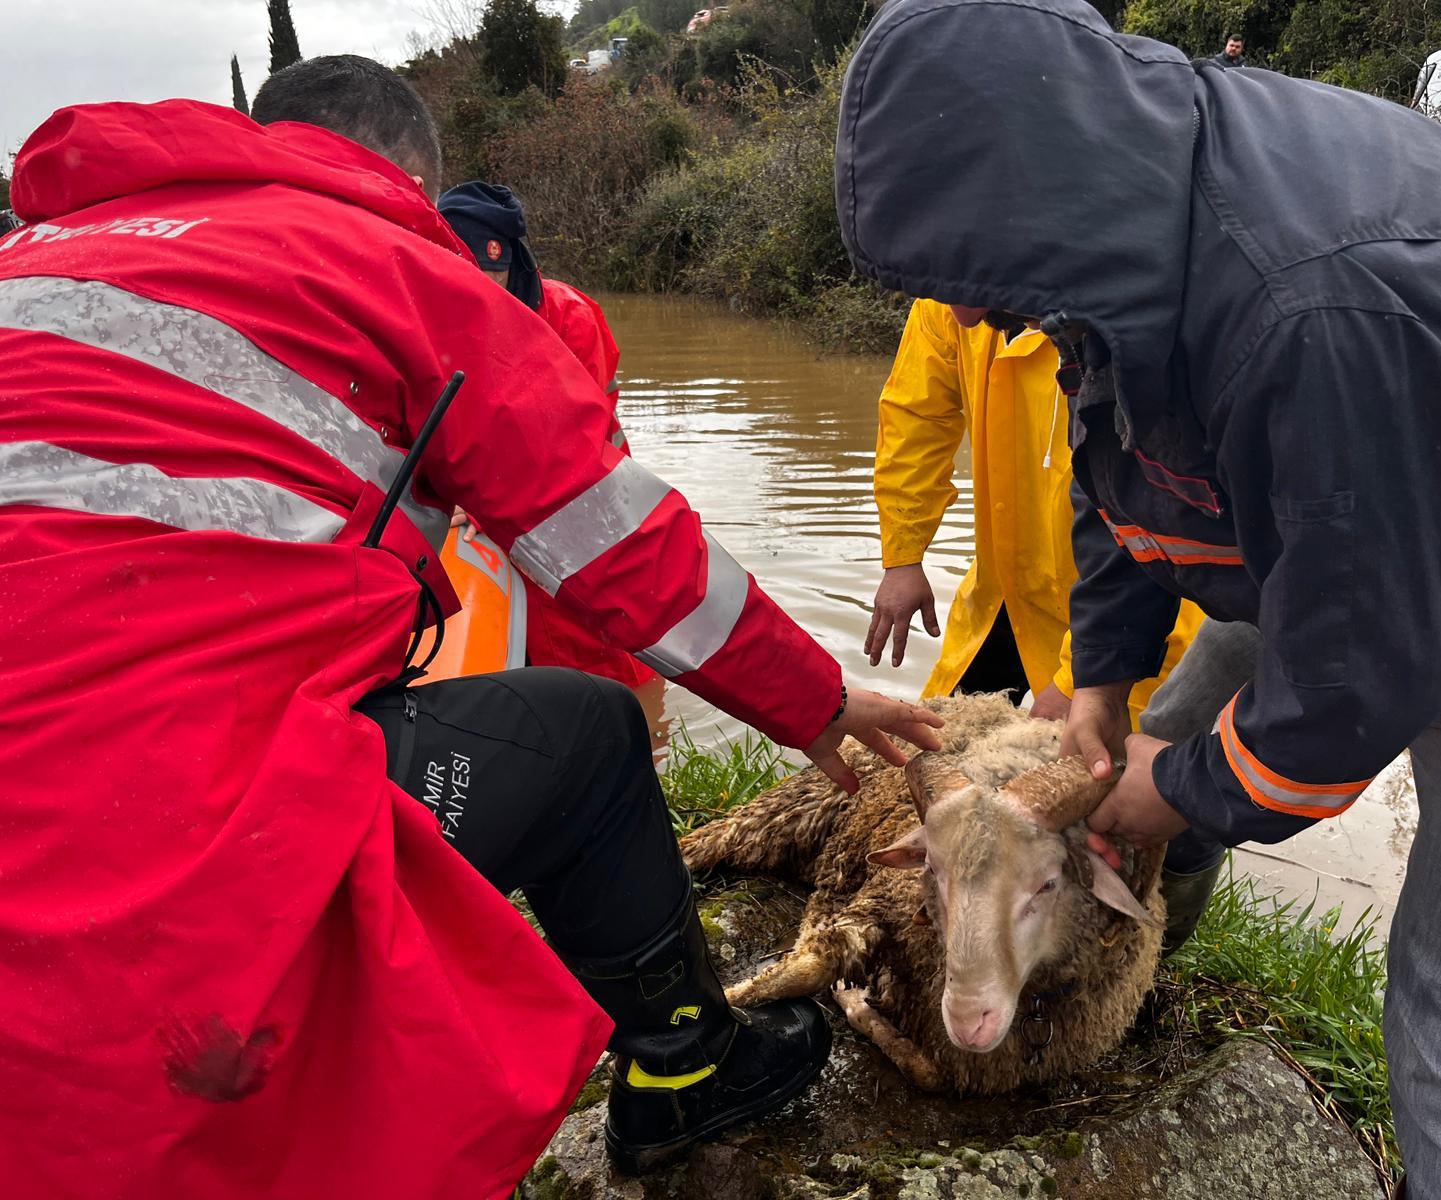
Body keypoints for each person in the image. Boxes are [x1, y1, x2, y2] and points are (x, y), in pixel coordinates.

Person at [0, 55, 941, 1198]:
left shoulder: (31, 262)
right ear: (403, 174)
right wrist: (814, 697)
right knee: (589, 737)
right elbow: (622, 545)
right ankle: (689, 1066)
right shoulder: (394, 268)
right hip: (179, 823)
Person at [833, 2, 1441, 1196]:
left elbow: (1352, 682)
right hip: (1352, 524)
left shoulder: (1318, 313)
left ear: (1035, 184)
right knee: (1155, 751)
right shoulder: (1121, 217)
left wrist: (1177, 787)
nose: (972, 317)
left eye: (970, 277)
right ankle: (1137, 928)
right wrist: (1099, 684)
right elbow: (1115, 455)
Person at [868, 298, 1203, 721]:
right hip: (1006, 586)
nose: (962, 317)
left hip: (1127, 595)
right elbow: (915, 421)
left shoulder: (1122, 308)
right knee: (935, 737)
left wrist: (1084, 676)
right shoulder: (945, 293)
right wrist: (903, 557)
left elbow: (1149, 502)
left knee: (1115, 756)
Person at [438, 180, 662, 714]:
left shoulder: (570, 319)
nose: (479, 289)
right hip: (503, 512)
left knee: (605, 650)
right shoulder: (435, 310)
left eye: (490, 274)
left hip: (592, 507)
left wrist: (487, 502)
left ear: (512, 265)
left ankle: (645, 738)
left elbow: (567, 451)